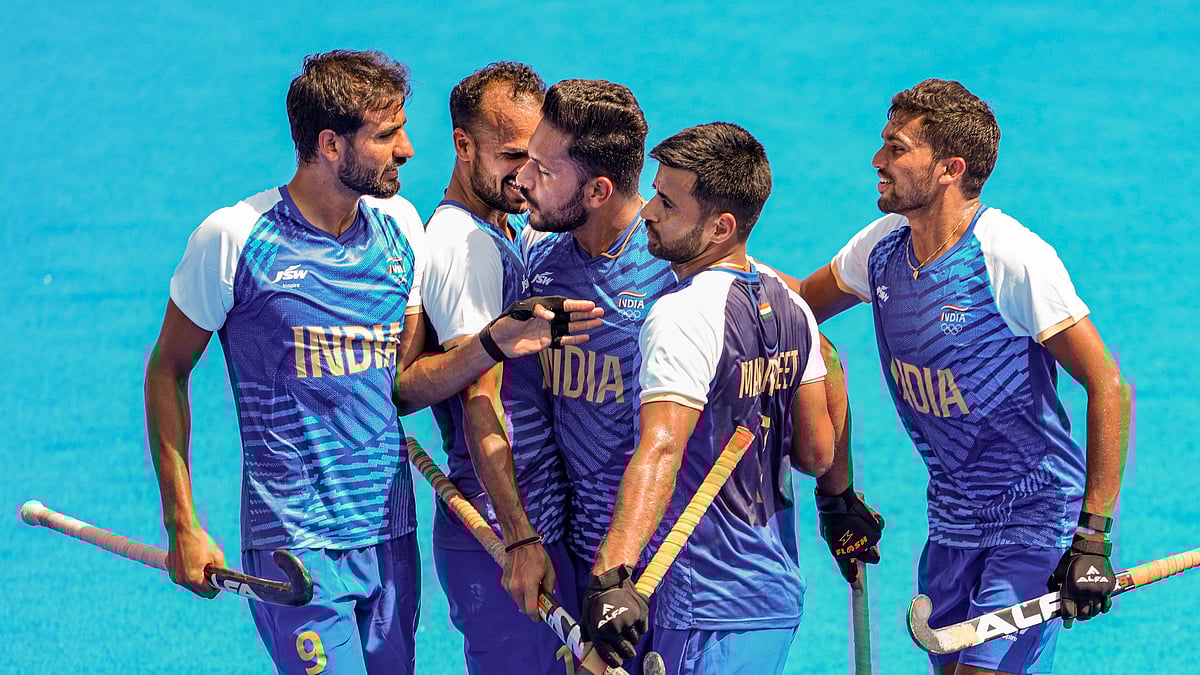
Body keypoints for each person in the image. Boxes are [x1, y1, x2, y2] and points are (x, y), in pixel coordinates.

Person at [144, 50, 600, 675]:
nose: (407, 150)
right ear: (330, 144)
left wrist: (491, 344)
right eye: (387, 135)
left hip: (390, 535)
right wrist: (182, 523)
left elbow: (404, 387)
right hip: (294, 542)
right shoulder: (234, 237)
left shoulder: (400, 227)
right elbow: (167, 370)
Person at [794, 78, 1131, 675]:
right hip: (951, 522)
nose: (877, 160)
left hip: (1033, 519)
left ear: (950, 169)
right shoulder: (881, 249)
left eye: (897, 149)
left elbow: (1108, 384)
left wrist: (1093, 536)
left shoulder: (1010, 258)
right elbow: (796, 311)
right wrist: (836, 492)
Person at [579, 122, 833, 674]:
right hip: (772, 595)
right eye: (653, 193)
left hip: (705, 601)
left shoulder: (682, 314)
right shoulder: (794, 308)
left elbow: (661, 449)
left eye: (667, 203)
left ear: (720, 227)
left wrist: (610, 578)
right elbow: (817, 454)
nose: (647, 212)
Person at [513, 78, 679, 674]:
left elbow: (803, 333)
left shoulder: (677, 270)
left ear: (598, 190)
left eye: (542, 170)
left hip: (667, 570)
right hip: (582, 558)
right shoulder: (539, 255)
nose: (522, 180)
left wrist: (834, 492)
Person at [421, 61, 577, 674]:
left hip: (533, 522)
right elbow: (479, 402)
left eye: (536, 155)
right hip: (502, 537)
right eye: (511, 155)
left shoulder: (500, 230)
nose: (527, 172)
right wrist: (518, 537)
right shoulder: (463, 250)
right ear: (463, 146)